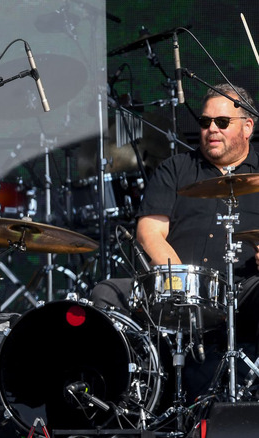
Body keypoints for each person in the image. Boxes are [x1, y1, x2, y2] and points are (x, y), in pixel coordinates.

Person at [90, 83, 259, 393]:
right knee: (106, 293)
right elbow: (149, 231)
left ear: (247, 127)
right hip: (179, 286)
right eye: (205, 122)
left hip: (242, 291)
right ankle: (127, 393)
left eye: (222, 122)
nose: (211, 129)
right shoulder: (176, 169)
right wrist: (181, 282)